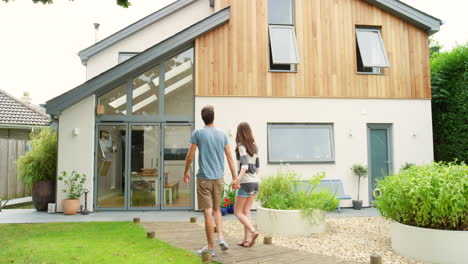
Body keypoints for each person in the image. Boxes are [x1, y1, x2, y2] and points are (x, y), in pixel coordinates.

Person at [183, 105, 238, 256]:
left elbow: (190, 155)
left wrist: (186, 171)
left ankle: (211, 247)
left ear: (203, 118)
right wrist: (235, 178)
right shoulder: (222, 134)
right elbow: (229, 157)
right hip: (218, 179)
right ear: (214, 117)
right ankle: (221, 237)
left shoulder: (198, 133)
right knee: (216, 210)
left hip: (203, 180)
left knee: (208, 212)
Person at [232, 122, 260, 247]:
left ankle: (253, 232)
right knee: (246, 211)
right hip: (255, 181)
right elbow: (258, 166)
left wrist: (237, 179)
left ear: (240, 132)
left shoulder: (241, 146)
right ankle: (246, 240)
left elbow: (244, 165)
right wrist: (255, 177)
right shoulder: (255, 146)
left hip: (246, 181)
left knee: (237, 212)